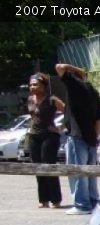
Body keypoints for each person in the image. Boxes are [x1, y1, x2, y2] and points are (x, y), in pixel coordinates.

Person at [55, 63, 100, 215]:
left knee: (77, 171)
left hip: (77, 135)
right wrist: (95, 137)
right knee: (91, 172)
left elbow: (59, 67)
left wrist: (74, 69)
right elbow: (98, 118)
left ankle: (82, 204)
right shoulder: (93, 91)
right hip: (91, 136)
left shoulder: (74, 86)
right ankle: (93, 201)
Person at [26, 73, 64, 208]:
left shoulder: (51, 99)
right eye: (30, 85)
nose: (32, 87)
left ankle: (55, 199)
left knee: (48, 166)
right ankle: (44, 200)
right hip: (34, 136)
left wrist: (60, 127)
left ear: (43, 85)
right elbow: (33, 116)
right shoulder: (30, 99)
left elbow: (68, 111)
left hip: (49, 135)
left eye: (35, 84)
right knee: (37, 167)